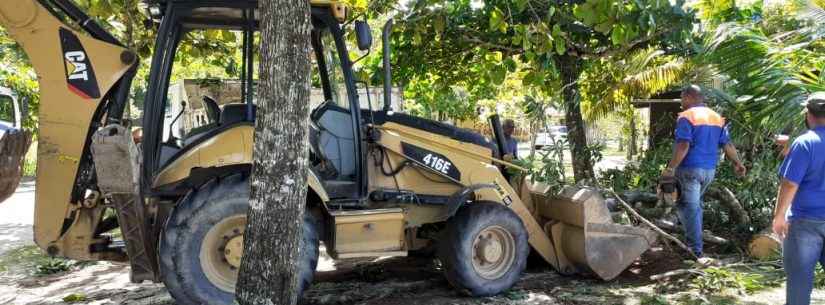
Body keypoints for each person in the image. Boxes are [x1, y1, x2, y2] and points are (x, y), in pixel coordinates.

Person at [662, 85, 747, 258]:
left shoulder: (687, 116)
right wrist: (738, 163)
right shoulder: (716, 117)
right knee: (695, 206)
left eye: (682, 98)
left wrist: (670, 168)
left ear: (688, 97)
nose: (681, 102)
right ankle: (693, 244)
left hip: (689, 170)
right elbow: (727, 144)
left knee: (689, 208)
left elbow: (683, 145)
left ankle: (695, 251)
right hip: (709, 171)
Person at [773, 93, 825, 305]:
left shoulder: (805, 143)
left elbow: (790, 183)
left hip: (805, 222)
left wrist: (779, 216)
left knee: (799, 282)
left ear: (808, 114)